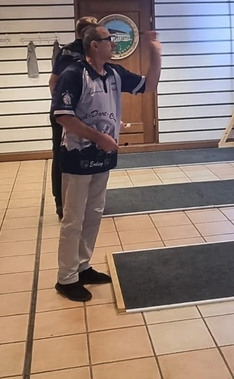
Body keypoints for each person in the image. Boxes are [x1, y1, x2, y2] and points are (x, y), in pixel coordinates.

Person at [52, 24, 162, 301]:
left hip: (103, 158)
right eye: (108, 39)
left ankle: (82, 266)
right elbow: (63, 116)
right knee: (73, 219)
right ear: (94, 45)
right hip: (77, 158)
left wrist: (155, 53)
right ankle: (66, 278)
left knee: (94, 214)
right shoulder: (73, 74)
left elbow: (149, 85)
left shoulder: (114, 73)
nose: (113, 44)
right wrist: (99, 137)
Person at [48, 16, 100, 219]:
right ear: (86, 33)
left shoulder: (92, 51)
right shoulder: (69, 52)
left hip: (86, 114)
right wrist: (65, 108)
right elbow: (53, 82)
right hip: (67, 114)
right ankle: (61, 203)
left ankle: (82, 200)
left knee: (86, 153)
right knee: (62, 154)